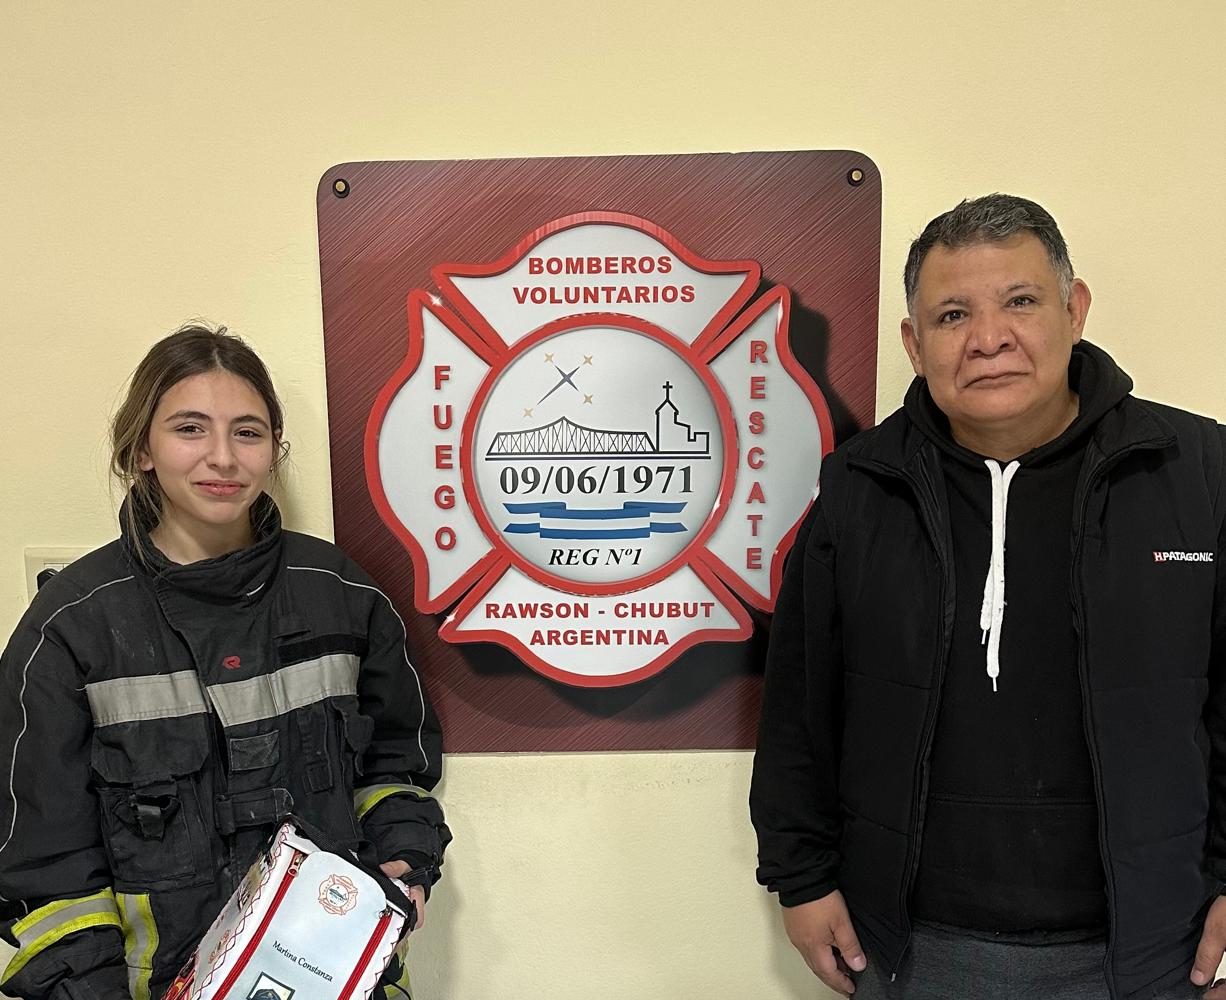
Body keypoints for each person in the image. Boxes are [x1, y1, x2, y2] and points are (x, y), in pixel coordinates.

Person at [749, 194, 1226, 1000]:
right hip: (913, 949)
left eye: (1021, 301)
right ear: (915, 344)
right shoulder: (860, 486)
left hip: (1153, 953)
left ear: (1075, 310)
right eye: (952, 315)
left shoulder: (1198, 471)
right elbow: (800, 703)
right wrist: (800, 877)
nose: (989, 338)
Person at [0, 325, 451, 1000]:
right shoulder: (72, 626)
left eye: (247, 432)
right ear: (142, 449)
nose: (223, 457)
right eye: (190, 429)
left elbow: (396, 765)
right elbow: (42, 863)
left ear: (273, 448)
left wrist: (404, 862)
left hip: (339, 979)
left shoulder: (342, 594)